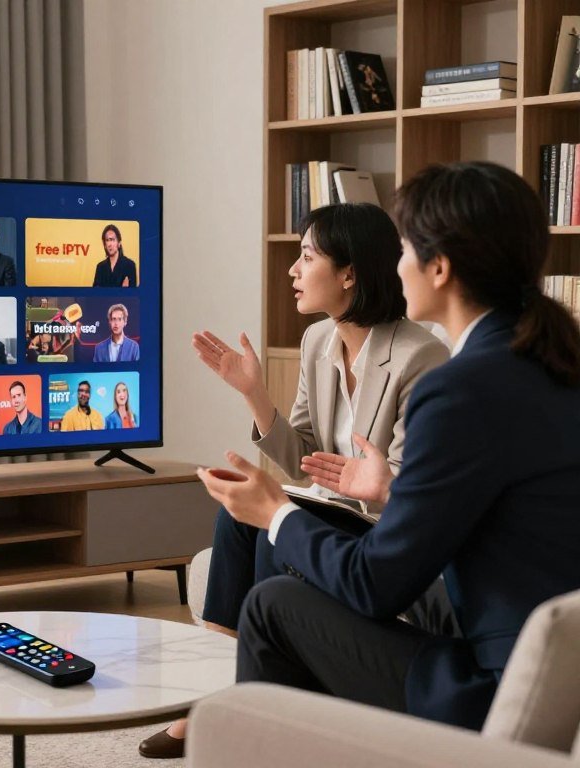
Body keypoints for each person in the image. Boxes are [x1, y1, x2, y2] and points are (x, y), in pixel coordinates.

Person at [199, 162, 580, 736]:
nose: (397, 265)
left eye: (404, 248)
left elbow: (375, 586)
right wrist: (392, 487)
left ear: (440, 267)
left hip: (493, 685)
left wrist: (276, 513)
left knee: (272, 605)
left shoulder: (457, 388)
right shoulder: (552, 363)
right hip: (538, 651)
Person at [139, 202, 449, 759]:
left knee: (275, 526)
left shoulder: (419, 355)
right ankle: (209, 697)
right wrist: (254, 395)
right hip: (332, 509)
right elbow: (305, 456)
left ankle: (263, 707)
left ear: (349, 273)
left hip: (380, 527)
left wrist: (364, 483)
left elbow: (409, 486)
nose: (293, 269)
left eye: (307, 256)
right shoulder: (316, 341)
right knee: (238, 517)